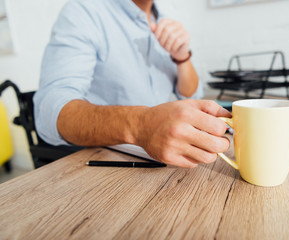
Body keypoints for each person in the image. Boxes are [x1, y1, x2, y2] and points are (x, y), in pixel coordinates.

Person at [34, 0, 231, 168]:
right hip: (106, 164)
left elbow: (191, 96)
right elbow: (50, 110)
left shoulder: (165, 21)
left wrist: (182, 58)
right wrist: (141, 126)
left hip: (166, 163)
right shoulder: (84, 12)